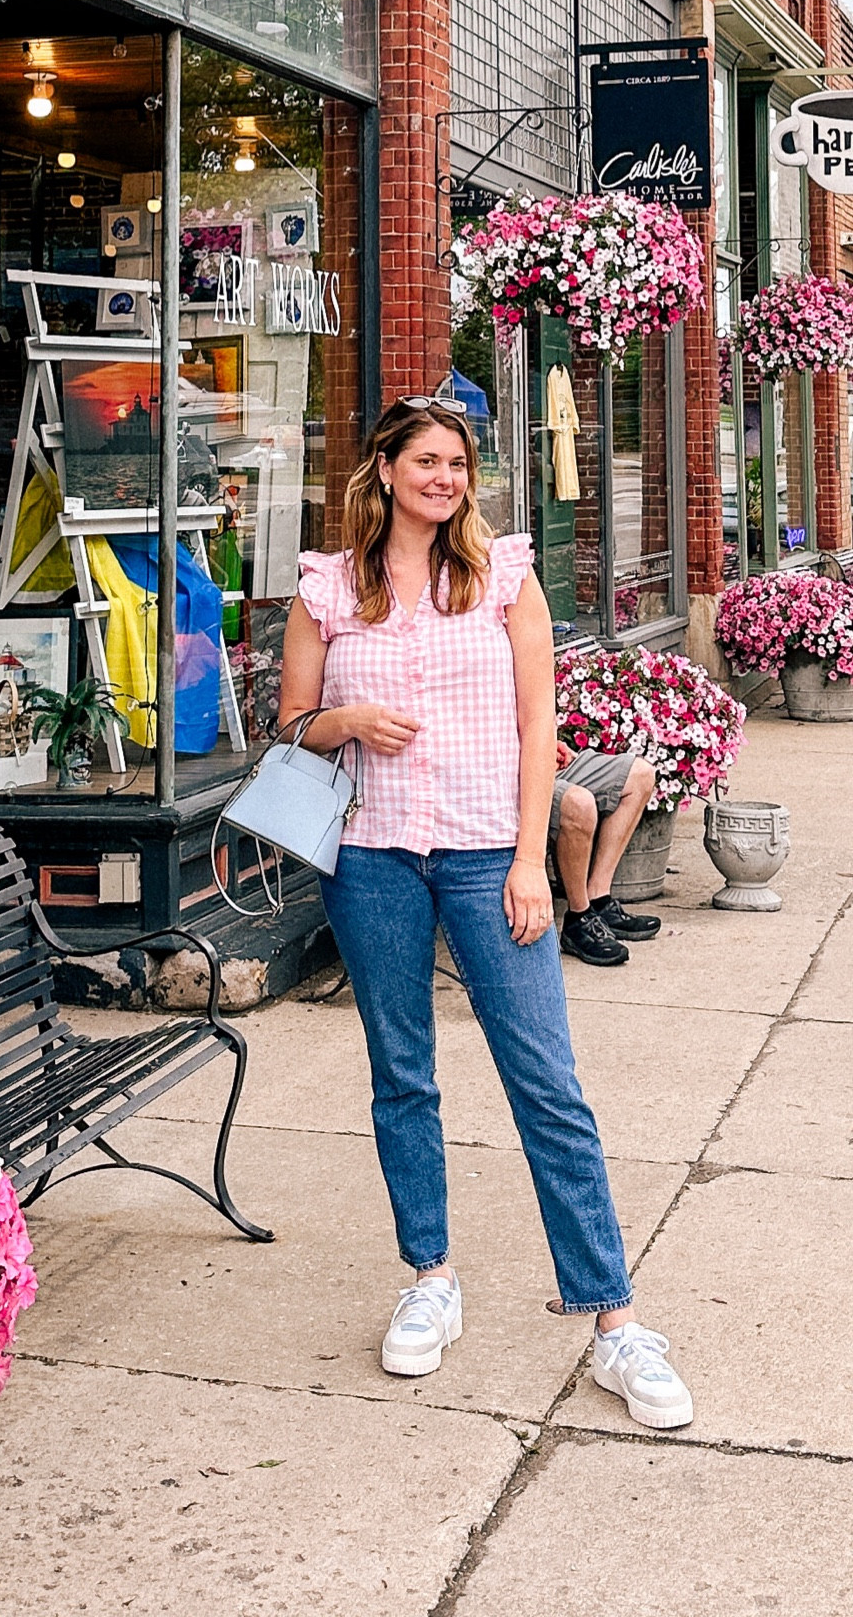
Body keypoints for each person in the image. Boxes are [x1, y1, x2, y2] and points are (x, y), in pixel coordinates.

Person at [278, 396, 691, 1429]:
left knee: (547, 1082)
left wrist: (526, 865)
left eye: (456, 461)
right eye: (424, 459)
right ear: (381, 470)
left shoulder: (502, 576)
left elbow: (539, 727)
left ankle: (615, 1320)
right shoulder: (327, 590)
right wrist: (346, 718)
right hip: (369, 863)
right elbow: (289, 732)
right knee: (401, 1074)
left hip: (482, 859)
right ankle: (430, 1274)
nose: (444, 477)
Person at [550, 742, 662, 967]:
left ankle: (598, 898)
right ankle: (578, 917)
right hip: (511, 773)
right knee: (579, 804)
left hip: (542, 759)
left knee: (640, 775)